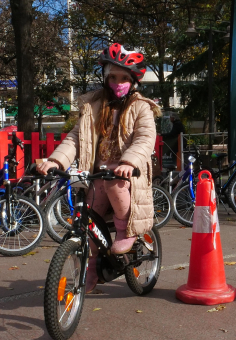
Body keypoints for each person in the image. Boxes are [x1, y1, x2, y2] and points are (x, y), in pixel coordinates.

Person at [37, 43, 161, 292]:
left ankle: (126, 232)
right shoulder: (93, 105)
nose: (117, 82)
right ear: (105, 77)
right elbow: (75, 138)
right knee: (89, 219)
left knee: (114, 183)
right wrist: (55, 161)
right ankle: (92, 264)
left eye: (124, 78)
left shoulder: (140, 107)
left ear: (134, 81)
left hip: (127, 174)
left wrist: (128, 162)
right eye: (112, 76)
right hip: (97, 173)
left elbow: (145, 138)